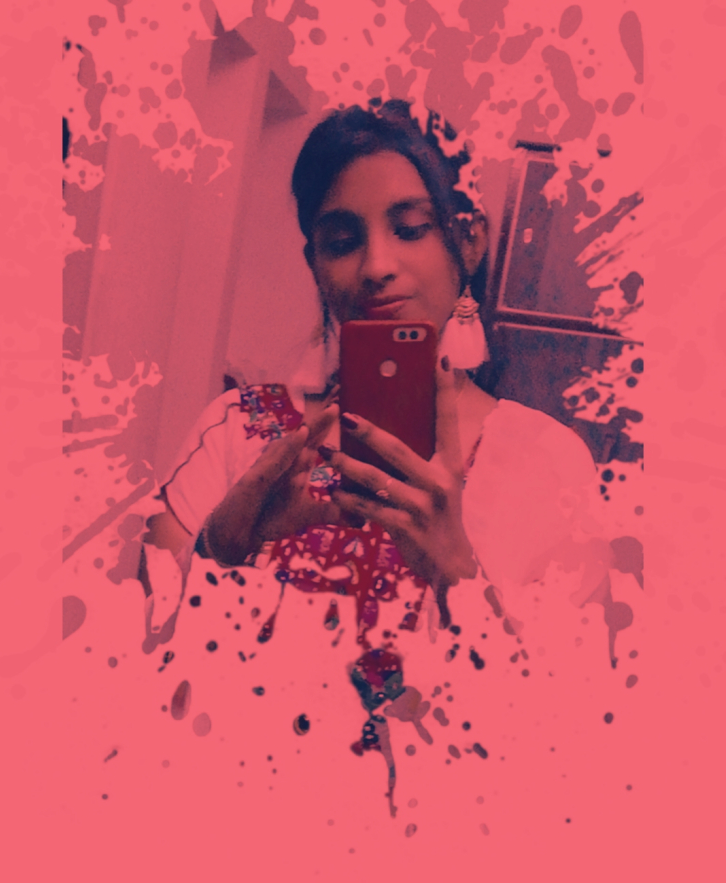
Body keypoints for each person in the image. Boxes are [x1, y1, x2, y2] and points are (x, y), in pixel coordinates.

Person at [137, 100, 625, 815]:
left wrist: (458, 574)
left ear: (468, 240)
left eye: (410, 228)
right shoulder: (236, 431)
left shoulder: (550, 464)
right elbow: (136, 683)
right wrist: (223, 546)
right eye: (342, 240)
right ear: (314, 263)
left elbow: (566, 746)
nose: (376, 266)